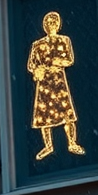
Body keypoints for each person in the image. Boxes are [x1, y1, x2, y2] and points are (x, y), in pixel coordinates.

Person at [27, 10, 85, 161]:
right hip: (44, 82)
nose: (51, 25)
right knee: (44, 115)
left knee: (67, 113)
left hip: (58, 81)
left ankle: (72, 142)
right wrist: (38, 70)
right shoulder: (37, 44)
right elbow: (31, 64)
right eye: (48, 23)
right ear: (44, 25)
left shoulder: (64, 40)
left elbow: (69, 59)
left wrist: (56, 63)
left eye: (54, 22)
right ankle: (48, 145)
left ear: (58, 25)